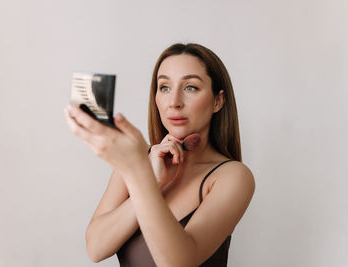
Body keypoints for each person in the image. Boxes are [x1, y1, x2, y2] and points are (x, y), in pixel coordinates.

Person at [64, 43, 255, 267]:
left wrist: (139, 176)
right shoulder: (138, 160)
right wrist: (150, 179)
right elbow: (96, 248)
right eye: (164, 87)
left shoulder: (232, 176)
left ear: (217, 101)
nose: (174, 102)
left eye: (190, 87)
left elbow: (180, 262)